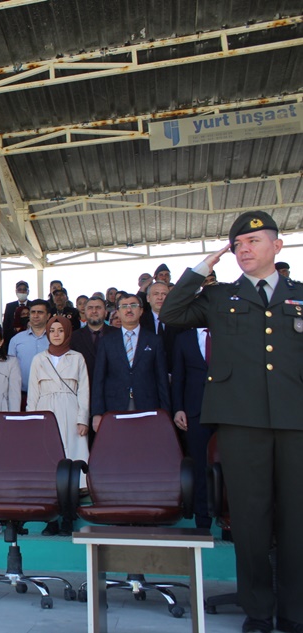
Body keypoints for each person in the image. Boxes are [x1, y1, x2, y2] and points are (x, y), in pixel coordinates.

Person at [161, 211, 303, 633]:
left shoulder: (299, 295)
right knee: (250, 519)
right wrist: (202, 267)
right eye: (238, 244)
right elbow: (172, 312)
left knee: (296, 519)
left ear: (277, 246)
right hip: (241, 421)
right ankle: (257, 611)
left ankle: (294, 611)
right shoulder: (220, 296)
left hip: (295, 420)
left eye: (253, 242)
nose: (244, 249)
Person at [27, 316, 89, 536]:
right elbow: (33, 393)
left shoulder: (77, 358)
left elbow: (84, 390)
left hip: (71, 412)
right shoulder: (39, 359)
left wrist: (83, 419)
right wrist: (32, 422)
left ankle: (68, 518)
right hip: (46, 412)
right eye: (52, 330)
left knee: (71, 465)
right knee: (48, 466)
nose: (55, 334)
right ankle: (50, 519)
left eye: (60, 330)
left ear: (67, 332)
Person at [90, 292, 170, 431]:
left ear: (141, 311)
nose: (129, 309)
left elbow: (161, 379)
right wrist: (97, 413)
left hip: (147, 404)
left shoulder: (154, 340)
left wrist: (166, 412)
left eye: (133, 305)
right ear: (118, 312)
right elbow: (99, 379)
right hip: (115, 404)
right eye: (124, 306)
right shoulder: (107, 342)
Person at [170, 326, 213, 529]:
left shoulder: (225, 332)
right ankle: (202, 521)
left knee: (230, 468)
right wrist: (178, 408)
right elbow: (178, 376)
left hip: (227, 411)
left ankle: (230, 520)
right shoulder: (183, 338)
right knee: (199, 467)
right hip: (194, 411)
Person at [8, 300, 51, 409]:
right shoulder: (16, 340)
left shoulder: (55, 338)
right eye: (33, 312)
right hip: (22, 395)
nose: (35, 315)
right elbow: (9, 369)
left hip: (50, 395)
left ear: (48, 316)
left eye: (40, 312)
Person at [70, 296, 116, 382]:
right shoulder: (74, 337)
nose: (94, 311)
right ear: (85, 312)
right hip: (84, 386)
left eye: (98, 307)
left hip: (112, 387)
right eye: (90, 308)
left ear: (106, 312)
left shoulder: (117, 335)